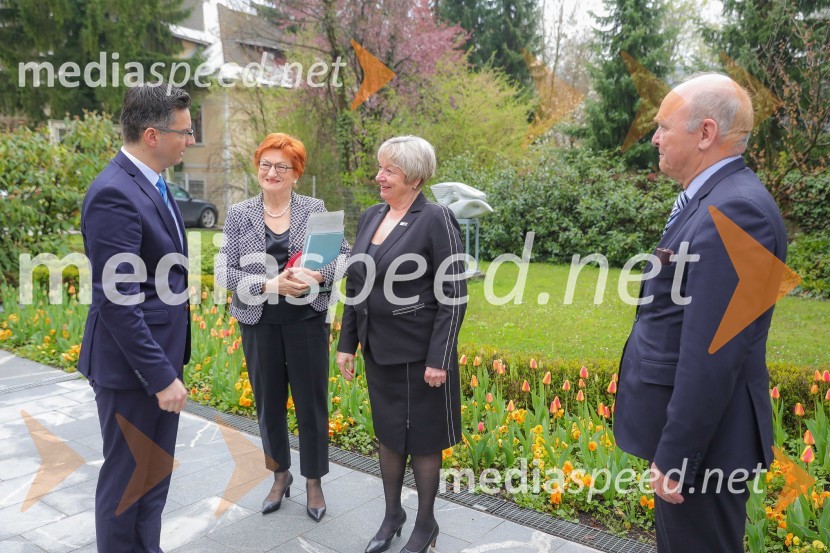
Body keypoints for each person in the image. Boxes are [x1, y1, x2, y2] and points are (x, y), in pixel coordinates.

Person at [614, 74, 787, 552]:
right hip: (703, 437)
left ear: (706, 133)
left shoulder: (735, 212)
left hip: (707, 445)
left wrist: (678, 456)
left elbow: (713, 349)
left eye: (663, 126)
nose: (654, 138)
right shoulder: (719, 199)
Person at [336, 136, 467, 553]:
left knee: (424, 441)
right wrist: (347, 343)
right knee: (389, 437)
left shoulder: (436, 218)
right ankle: (392, 515)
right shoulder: (372, 216)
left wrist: (440, 358)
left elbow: (454, 295)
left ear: (412, 176)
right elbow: (356, 284)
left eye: (388, 170)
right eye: (380, 168)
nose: (379, 177)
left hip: (420, 356)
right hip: (380, 353)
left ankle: (425, 524)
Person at [78, 83, 193, 552]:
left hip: (156, 363)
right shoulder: (113, 193)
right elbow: (118, 298)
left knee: (153, 477)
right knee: (128, 485)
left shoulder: (153, 182)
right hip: (134, 372)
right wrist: (161, 376)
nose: (189, 139)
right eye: (184, 132)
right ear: (152, 134)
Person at [215, 132, 349, 522]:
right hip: (259, 323)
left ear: (296, 173)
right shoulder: (240, 214)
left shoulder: (314, 209)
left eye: (281, 167)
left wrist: (315, 277)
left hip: (306, 322)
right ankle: (280, 474)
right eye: (265, 164)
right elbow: (224, 271)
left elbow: (343, 258)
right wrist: (267, 284)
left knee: (312, 405)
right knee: (268, 405)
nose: (271, 172)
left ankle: (313, 481)